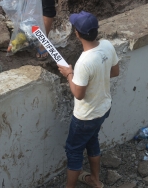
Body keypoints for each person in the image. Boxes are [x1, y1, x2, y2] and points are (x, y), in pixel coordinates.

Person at [57, 11, 120, 188]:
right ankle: (95, 180)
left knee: (74, 150)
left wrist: (69, 74)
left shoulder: (84, 62)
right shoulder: (107, 45)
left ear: (77, 34)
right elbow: (115, 72)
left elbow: (78, 94)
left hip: (85, 116)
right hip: (103, 109)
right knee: (92, 141)